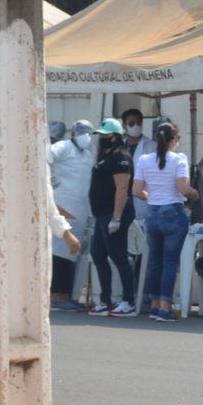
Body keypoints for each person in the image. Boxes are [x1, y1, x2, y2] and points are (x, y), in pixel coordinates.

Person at [131, 121, 196, 321]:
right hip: (173, 212)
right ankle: (165, 307)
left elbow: (136, 191)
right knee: (170, 261)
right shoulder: (179, 159)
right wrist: (195, 194)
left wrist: (150, 196)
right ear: (173, 139)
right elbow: (183, 189)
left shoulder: (144, 160)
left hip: (152, 213)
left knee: (155, 261)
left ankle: (155, 304)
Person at [86, 119, 138, 316]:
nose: (101, 138)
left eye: (105, 135)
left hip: (114, 213)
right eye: (100, 135)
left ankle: (128, 300)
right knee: (98, 255)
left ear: (115, 137)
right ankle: (105, 300)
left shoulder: (120, 156)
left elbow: (122, 189)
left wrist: (116, 218)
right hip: (101, 213)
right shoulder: (106, 155)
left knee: (118, 256)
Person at [47, 119, 95, 312]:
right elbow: (45, 157)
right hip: (63, 204)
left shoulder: (88, 155)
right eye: (82, 131)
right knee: (58, 251)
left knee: (71, 253)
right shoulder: (63, 147)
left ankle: (66, 295)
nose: (85, 135)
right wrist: (52, 180)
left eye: (88, 132)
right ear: (73, 132)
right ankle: (55, 296)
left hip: (80, 208)